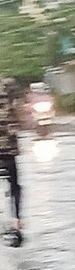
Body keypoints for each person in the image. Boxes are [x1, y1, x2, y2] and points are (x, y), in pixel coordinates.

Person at [0, 78, 22, 238]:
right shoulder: (9, 87)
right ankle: (16, 219)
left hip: (8, 147)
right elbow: (17, 119)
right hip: (8, 149)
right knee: (15, 185)